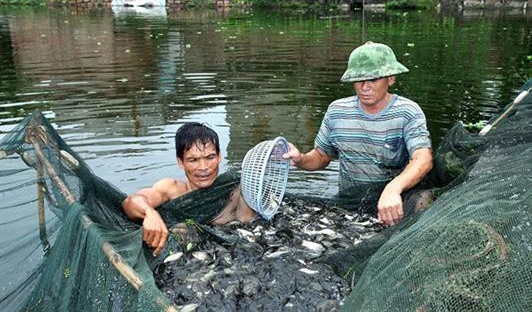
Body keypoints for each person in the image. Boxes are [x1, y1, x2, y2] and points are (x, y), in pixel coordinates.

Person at [283, 41, 433, 226]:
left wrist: (393, 188)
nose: (364, 87)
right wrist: (300, 159)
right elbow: (321, 156)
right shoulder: (337, 111)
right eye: (358, 80)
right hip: (348, 205)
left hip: (392, 206)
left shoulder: (407, 112)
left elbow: (423, 159)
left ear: (391, 78)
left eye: (373, 79)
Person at [122, 122, 256, 256]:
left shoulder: (234, 188)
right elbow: (131, 202)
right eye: (193, 160)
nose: (203, 167)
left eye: (210, 157)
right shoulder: (171, 189)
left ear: (219, 157)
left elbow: (251, 230)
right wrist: (149, 213)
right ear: (181, 162)